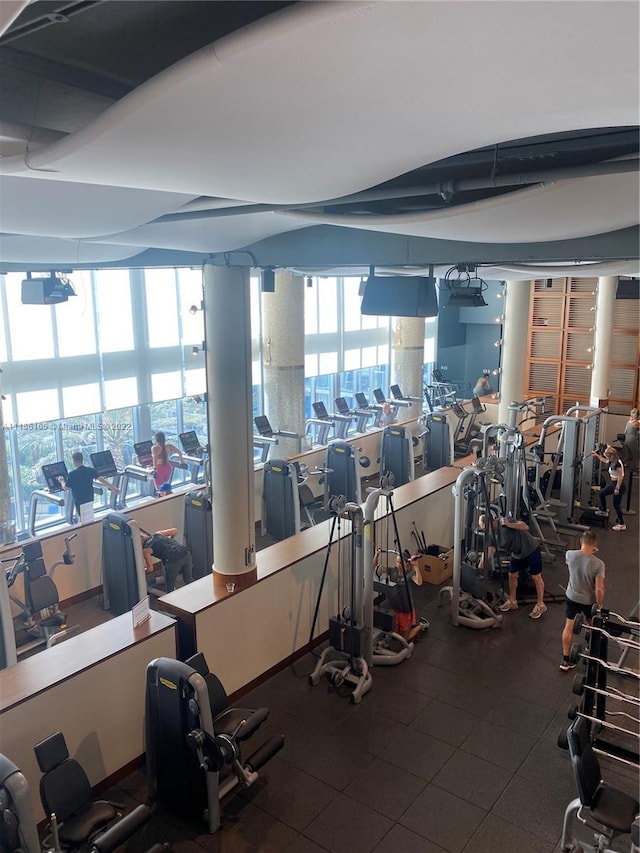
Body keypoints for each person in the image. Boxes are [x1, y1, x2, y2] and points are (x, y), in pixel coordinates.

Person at [478, 513, 547, 619]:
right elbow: (489, 550)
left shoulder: (504, 521)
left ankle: (541, 604)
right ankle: (512, 601)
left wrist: (511, 524)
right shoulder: (491, 534)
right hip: (517, 553)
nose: (484, 530)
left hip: (531, 549)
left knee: (536, 577)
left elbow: (525, 526)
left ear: (491, 523)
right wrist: (481, 563)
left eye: (484, 527)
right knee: (512, 575)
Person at [560, 530, 605, 671]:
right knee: (591, 625)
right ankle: (589, 651)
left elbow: (580, 557)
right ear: (595, 545)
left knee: (569, 626)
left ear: (581, 541)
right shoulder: (599, 564)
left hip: (572, 596)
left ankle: (565, 660)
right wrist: (598, 604)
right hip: (588, 600)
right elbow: (599, 589)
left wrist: (587, 551)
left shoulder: (570, 555)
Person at [374, 547, 427, 642]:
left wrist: (416, 566)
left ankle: (422, 625)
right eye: (397, 562)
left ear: (407, 562)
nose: (398, 564)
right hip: (394, 608)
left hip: (405, 609)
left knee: (404, 639)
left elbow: (419, 582)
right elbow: (375, 568)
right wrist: (376, 554)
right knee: (395, 635)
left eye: (400, 562)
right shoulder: (392, 570)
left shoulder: (410, 574)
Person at [58, 451, 120, 521]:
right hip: (89, 497)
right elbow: (102, 480)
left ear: (74, 461)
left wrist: (61, 481)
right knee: (88, 516)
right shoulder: (90, 470)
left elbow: (66, 487)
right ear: (82, 459)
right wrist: (114, 488)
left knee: (82, 517)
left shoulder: (72, 474)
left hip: (79, 500)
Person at [141, 527, 193, 593]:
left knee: (170, 588)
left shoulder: (146, 550)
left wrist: (142, 571)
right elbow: (175, 530)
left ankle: (172, 601)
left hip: (173, 561)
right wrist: (170, 543)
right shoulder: (158, 534)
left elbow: (150, 569)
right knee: (189, 580)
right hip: (185, 552)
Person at [591, 445, 626, 531]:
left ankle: (622, 524)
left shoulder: (617, 464)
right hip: (614, 484)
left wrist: (617, 488)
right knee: (602, 493)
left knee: (616, 505)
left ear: (612, 456)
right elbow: (605, 460)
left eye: (608, 456)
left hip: (618, 485)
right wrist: (597, 455)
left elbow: (620, 477)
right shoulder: (612, 461)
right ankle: (603, 510)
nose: (607, 458)